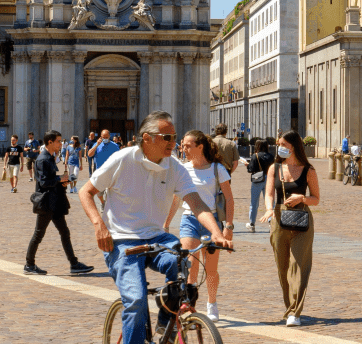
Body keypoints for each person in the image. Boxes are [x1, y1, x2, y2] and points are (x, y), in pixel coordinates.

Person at [78, 111, 232, 344]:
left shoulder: (175, 167)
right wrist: (99, 225)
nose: (174, 142)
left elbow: (197, 204)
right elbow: (86, 191)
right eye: (167, 137)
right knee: (136, 300)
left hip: (157, 236)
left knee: (180, 263)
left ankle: (164, 327)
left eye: (174, 136)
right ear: (147, 138)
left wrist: (217, 233)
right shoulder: (123, 159)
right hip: (121, 240)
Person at [164, 130, 234, 322]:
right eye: (183, 145)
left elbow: (228, 198)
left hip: (212, 222)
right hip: (189, 219)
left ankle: (212, 302)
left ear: (200, 146)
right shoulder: (183, 169)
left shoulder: (216, 169)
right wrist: (167, 222)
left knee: (211, 269)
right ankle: (189, 302)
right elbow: (176, 199)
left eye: (187, 145)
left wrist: (228, 226)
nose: (183, 148)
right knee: (190, 264)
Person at [258, 131, 320, 326]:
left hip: (302, 219)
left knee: (299, 266)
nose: (280, 147)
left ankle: (295, 312)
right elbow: (268, 193)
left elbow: (316, 199)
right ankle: (289, 307)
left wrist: (301, 198)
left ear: (293, 146)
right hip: (278, 218)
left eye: (283, 144)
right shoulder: (274, 168)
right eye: (278, 144)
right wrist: (269, 209)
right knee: (283, 266)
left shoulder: (308, 169)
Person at [24, 129, 94, 276]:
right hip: (47, 203)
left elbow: (51, 180)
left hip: (54, 202)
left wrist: (62, 182)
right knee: (38, 234)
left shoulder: (50, 157)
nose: (61, 144)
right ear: (50, 142)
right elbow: (43, 182)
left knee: (64, 232)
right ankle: (29, 265)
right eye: (58, 141)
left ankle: (74, 264)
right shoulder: (43, 159)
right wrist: (59, 179)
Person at [244, 139, 272, 231]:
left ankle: (252, 224)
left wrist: (247, 165)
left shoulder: (255, 156)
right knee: (270, 201)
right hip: (269, 179)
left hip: (257, 180)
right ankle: (271, 223)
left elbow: (250, 170)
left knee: (254, 202)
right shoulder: (271, 156)